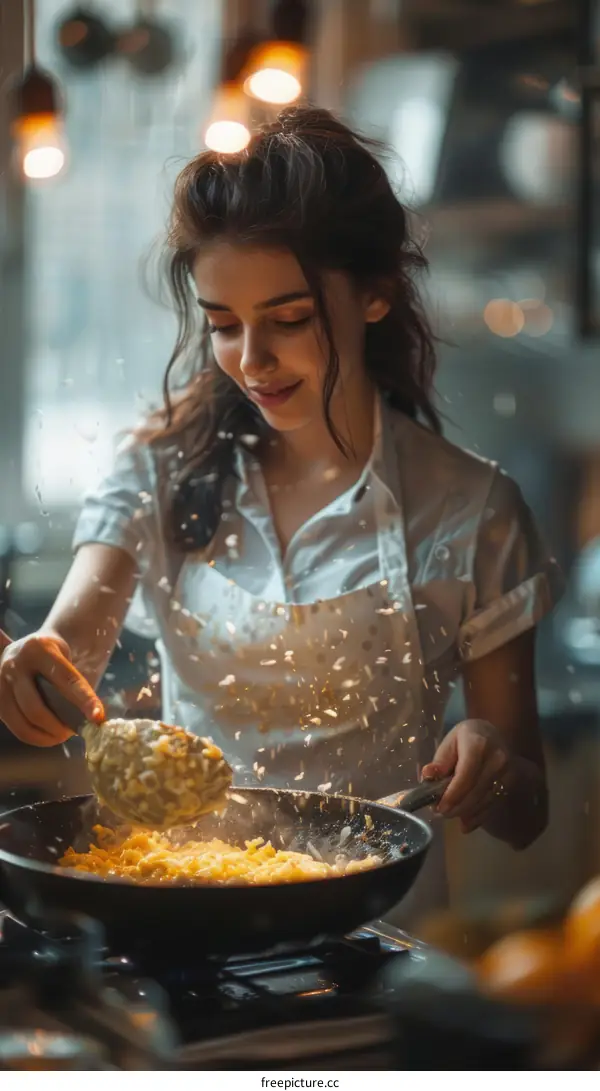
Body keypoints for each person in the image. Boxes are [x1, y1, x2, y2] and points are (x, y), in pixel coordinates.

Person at [0, 105, 563, 926]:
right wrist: (34, 674)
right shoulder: (156, 471)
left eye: (289, 320)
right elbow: (68, 647)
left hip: (375, 939)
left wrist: (491, 761)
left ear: (373, 295)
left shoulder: (473, 510)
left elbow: (528, 811)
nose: (251, 361)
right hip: (183, 914)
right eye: (224, 325)